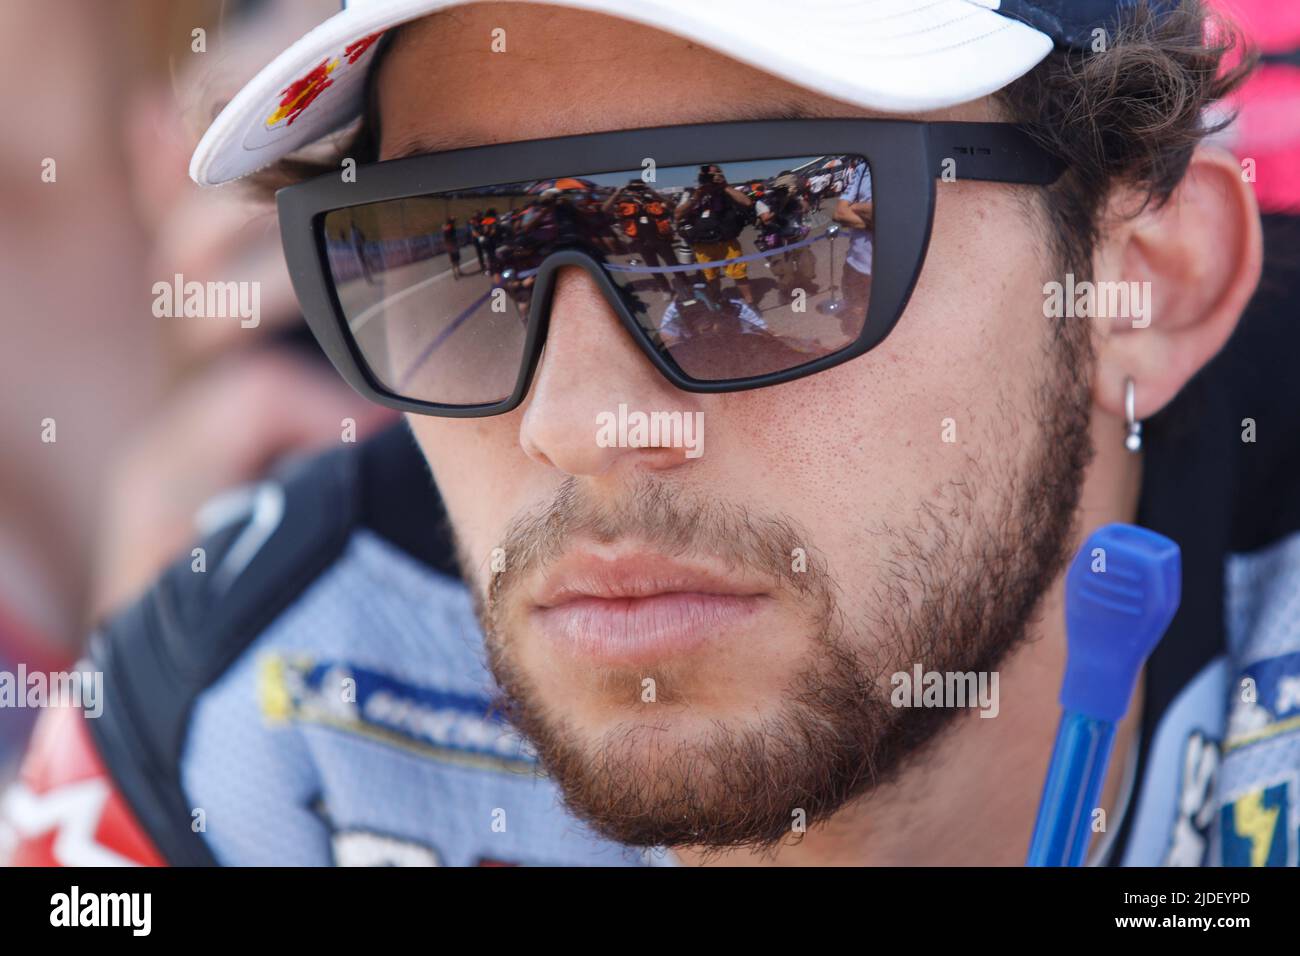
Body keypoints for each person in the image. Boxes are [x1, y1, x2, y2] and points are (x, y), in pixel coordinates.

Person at [8, 0, 1297, 870]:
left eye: (763, 246)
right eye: (464, 256)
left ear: (1144, 285)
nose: (575, 424)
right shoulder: (253, 710)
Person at [674, 163, 755, 306]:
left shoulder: (727, 190)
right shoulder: (692, 193)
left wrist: (724, 185)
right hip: (702, 243)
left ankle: (750, 302)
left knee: (739, 273)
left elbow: (747, 202)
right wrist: (697, 196)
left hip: (727, 241)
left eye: (716, 173)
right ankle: (718, 300)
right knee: (710, 276)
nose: (711, 177)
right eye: (708, 174)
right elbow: (678, 214)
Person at [832, 160, 873, 337]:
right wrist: (877, 223)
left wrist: (855, 207)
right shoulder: (863, 168)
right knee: (857, 317)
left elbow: (897, 212)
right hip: (855, 265)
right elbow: (839, 213)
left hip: (893, 269)